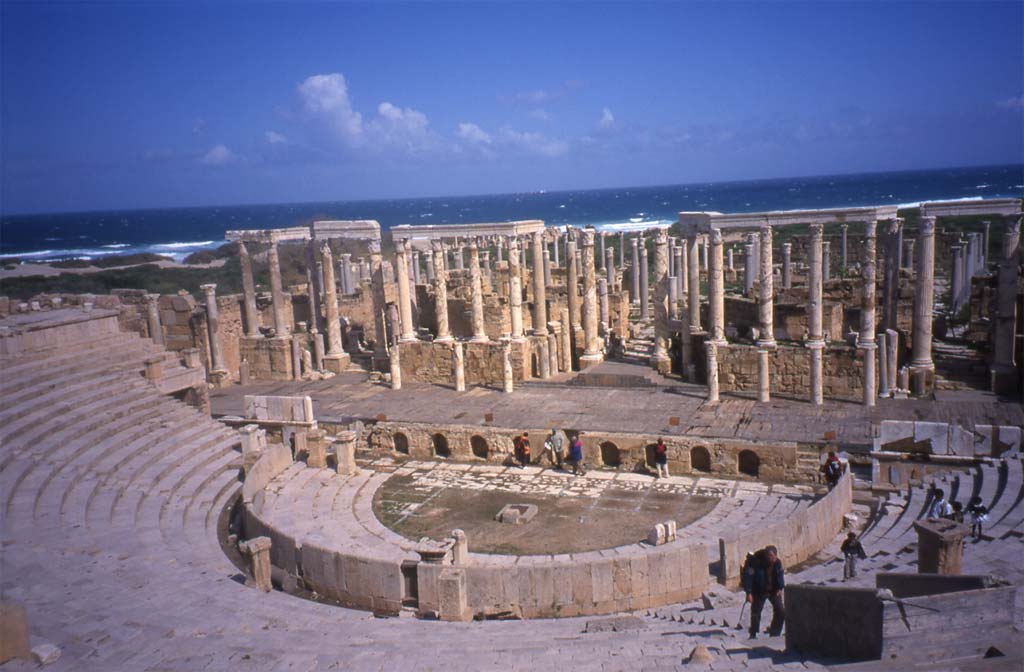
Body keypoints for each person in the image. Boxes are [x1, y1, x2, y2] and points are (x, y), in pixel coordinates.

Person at [742, 545, 785, 638]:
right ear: (766, 555)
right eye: (770, 556)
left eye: (774, 556)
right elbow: (748, 577)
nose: (773, 559)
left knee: (780, 610)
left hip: (773, 590)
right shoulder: (755, 562)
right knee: (756, 612)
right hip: (758, 590)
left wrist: (780, 588)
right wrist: (748, 592)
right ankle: (753, 633)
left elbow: (780, 574)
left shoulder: (777, 562)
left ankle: (775, 632)